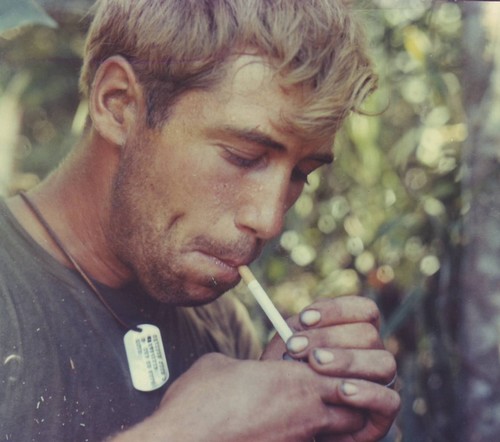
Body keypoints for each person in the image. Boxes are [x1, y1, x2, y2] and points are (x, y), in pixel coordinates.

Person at [0, 0, 400, 441]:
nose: (268, 220)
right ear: (118, 104)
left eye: (301, 174)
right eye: (242, 157)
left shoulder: (221, 324)